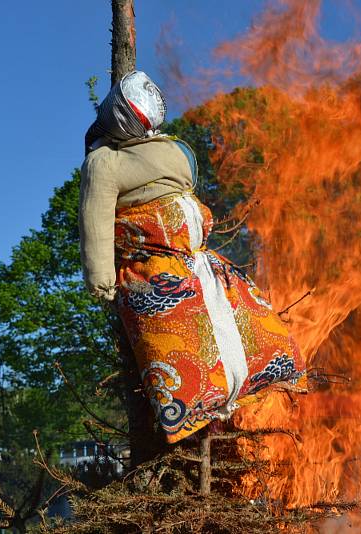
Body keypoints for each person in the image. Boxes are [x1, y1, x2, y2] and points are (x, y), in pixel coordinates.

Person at [79, 70, 307, 444]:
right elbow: (95, 220)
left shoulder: (169, 150)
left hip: (197, 261)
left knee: (251, 324)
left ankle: (239, 393)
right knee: (180, 344)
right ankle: (199, 414)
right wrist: (102, 284)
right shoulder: (104, 162)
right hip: (154, 268)